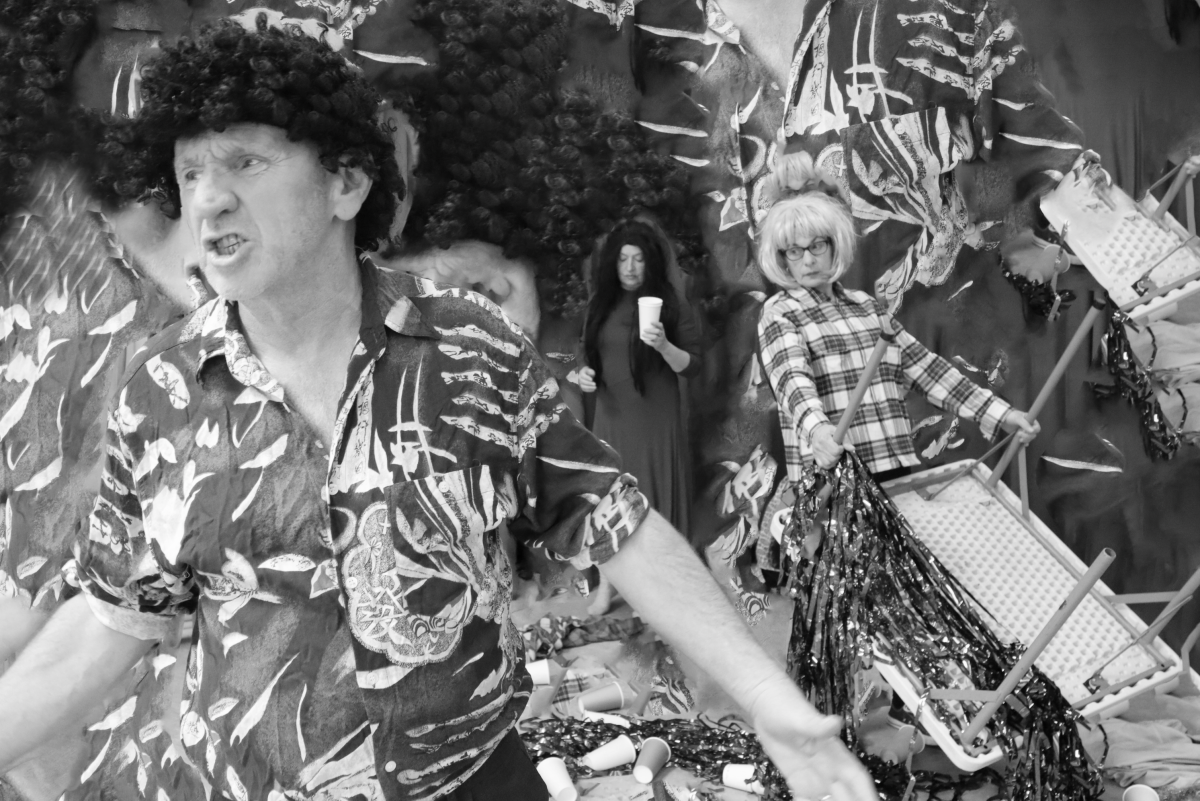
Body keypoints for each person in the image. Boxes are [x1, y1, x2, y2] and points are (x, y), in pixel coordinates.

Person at [0, 18, 878, 801]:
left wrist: (767, 700)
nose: (209, 198)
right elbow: (115, 612)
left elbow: (618, 525)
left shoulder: (471, 349)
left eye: (246, 163)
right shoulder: (162, 390)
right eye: (191, 172)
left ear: (346, 185)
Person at [756, 178, 1042, 489]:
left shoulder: (866, 307)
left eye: (816, 245)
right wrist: (818, 432)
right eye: (794, 251)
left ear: (834, 244)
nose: (808, 259)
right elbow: (792, 383)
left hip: (893, 469)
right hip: (836, 479)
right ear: (782, 259)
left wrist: (1002, 415)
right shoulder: (780, 313)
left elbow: (928, 371)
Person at [576, 220, 701, 535]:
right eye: (623, 259)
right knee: (612, 501)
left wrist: (664, 346)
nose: (630, 268)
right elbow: (587, 353)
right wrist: (583, 374)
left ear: (651, 262)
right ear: (613, 262)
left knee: (652, 499)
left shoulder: (671, 305)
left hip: (655, 422)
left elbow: (693, 366)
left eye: (638, 259)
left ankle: (660, 560)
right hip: (610, 420)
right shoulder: (600, 303)